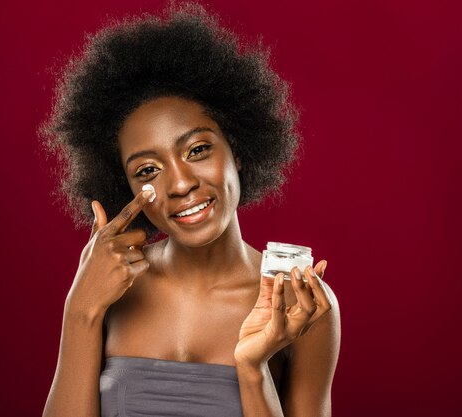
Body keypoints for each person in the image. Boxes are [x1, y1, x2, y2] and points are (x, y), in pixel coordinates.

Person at [39, 2, 340, 416]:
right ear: (122, 185)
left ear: (239, 149)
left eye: (197, 149)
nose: (180, 184)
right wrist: (81, 311)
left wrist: (252, 369)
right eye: (147, 169)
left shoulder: (299, 303)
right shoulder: (108, 288)